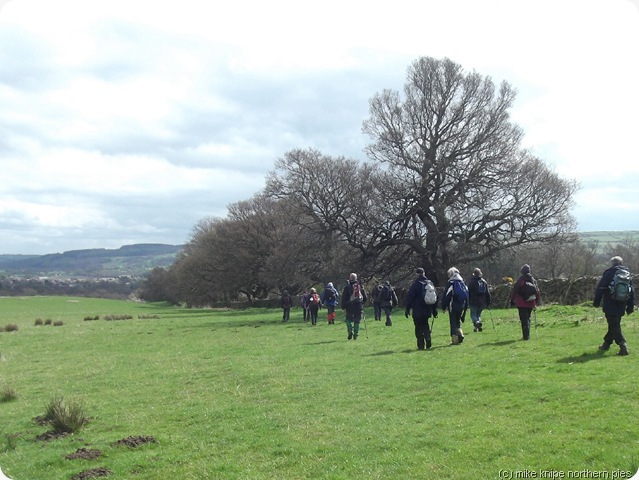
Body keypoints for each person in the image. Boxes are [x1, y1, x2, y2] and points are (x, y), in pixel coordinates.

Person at [594, 256, 634, 356]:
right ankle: (606, 344)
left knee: (614, 325)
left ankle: (623, 346)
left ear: (612, 263)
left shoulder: (609, 273)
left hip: (610, 303)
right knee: (614, 324)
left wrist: (596, 301)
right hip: (622, 303)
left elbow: (601, 288)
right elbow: (631, 291)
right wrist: (630, 306)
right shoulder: (627, 274)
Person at [405, 267, 438, 350]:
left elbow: (410, 298)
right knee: (425, 324)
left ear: (417, 274)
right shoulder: (430, 283)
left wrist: (407, 309)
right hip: (427, 309)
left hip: (417, 310)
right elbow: (435, 297)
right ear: (424, 273)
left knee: (418, 326)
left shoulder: (415, 284)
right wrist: (434, 309)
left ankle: (421, 345)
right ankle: (428, 339)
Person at [510, 264, 540, 340]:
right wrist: (536, 302)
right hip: (531, 302)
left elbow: (515, 291)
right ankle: (527, 335)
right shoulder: (533, 280)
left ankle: (526, 336)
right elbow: (537, 292)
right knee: (528, 318)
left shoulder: (520, 280)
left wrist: (512, 300)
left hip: (522, 303)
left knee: (524, 319)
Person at [441, 267, 469, 344]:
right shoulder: (462, 282)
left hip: (453, 305)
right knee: (458, 321)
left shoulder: (451, 283)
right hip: (461, 305)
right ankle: (460, 334)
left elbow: (446, 296)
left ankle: (455, 339)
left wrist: (443, 307)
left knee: (453, 322)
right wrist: (466, 306)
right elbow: (467, 295)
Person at [341, 273, 368, 340]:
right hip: (359, 306)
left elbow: (344, 297)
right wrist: (362, 303)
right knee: (357, 321)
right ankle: (356, 334)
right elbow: (365, 297)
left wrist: (343, 306)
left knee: (348, 319)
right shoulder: (360, 286)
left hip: (350, 306)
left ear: (350, 278)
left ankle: (350, 330)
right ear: (356, 278)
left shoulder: (347, 287)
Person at [467, 268, 491, 332]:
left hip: (473, 301)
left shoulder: (472, 282)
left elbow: (468, 292)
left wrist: (467, 301)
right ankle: (476, 328)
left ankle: (477, 323)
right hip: (482, 301)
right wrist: (488, 302)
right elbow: (487, 293)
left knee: (473, 314)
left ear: (474, 274)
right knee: (478, 314)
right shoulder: (484, 282)